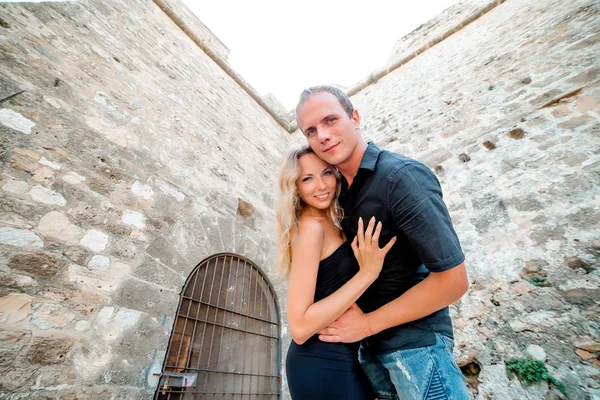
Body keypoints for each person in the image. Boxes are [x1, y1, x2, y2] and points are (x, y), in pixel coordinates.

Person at [295, 86, 471, 399]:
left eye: (331, 120)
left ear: (355, 117)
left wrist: (367, 325)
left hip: (416, 350)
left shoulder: (399, 177)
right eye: (311, 130)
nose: (322, 135)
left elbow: (453, 282)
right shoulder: (341, 196)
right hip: (370, 356)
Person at [276, 146, 396, 399]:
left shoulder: (332, 222)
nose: (321, 186)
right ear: (295, 187)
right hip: (319, 361)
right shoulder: (310, 227)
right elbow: (298, 326)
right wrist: (367, 273)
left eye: (327, 173)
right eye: (307, 179)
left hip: (349, 356)